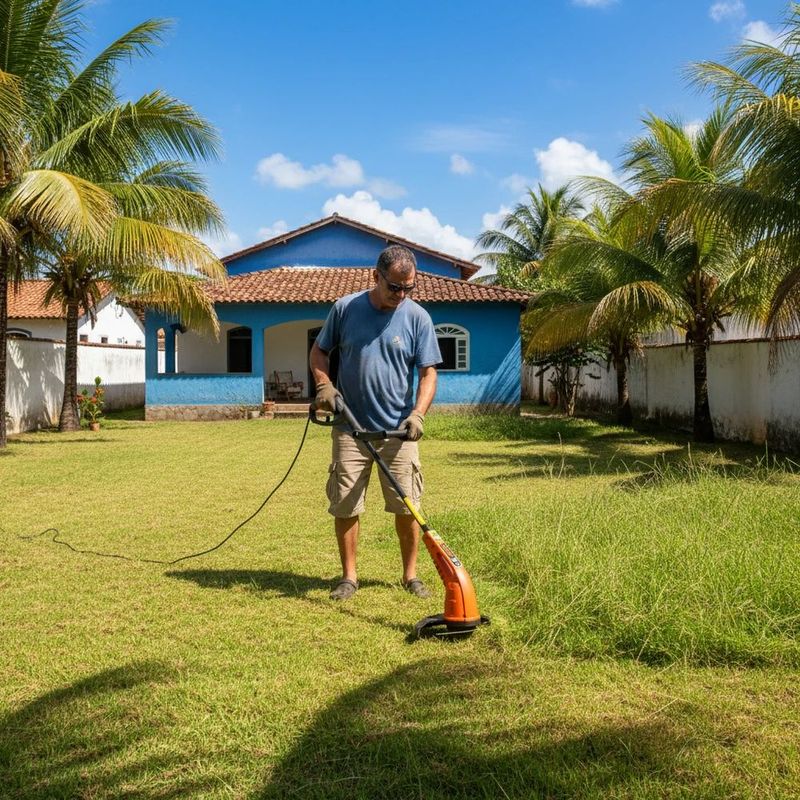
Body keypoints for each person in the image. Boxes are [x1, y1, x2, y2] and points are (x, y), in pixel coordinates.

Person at [309, 245, 442, 601]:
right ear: (376, 276)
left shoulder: (418, 318)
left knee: (407, 505)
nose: (401, 295)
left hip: (399, 431)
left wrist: (418, 414)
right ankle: (349, 577)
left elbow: (428, 373)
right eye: (394, 287)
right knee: (346, 504)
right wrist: (324, 385)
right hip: (350, 428)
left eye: (408, 288)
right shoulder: (345, 309)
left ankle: (410, 575)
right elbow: (319, 352)